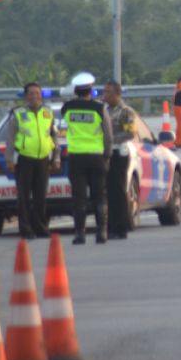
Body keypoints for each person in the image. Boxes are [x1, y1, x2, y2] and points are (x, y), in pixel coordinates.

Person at [61, 72, 113, 245]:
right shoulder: (100, 108)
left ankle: (80, 234)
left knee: (79, 197)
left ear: (75, 90)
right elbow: (108, 135)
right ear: (91, 90)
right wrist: (107, 155)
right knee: (99, 195)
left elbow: (64, 126)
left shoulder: (67, 107)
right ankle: (101, 233)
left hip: (76, 157)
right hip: (96, 156)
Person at [4, 82, 59, 239]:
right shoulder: (18, 114)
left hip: (43, 159)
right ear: (26, 96)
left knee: (41, 196)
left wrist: (56, 157)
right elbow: (10, 138)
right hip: (24, 159)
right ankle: (26, 229)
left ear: (40, 95)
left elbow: (54, 136)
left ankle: (41, 228)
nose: (34, 96)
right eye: (31, 93)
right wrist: (9, 159)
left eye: (37, 93)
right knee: (24, 197)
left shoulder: (48, 113)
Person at [103, 80, 138, 240]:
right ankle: (110, 227)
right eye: (105, 91)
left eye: (109, 92)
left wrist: (110, 140)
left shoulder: (126, 111)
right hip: (106, 154)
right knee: (109, 192)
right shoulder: (103, 110)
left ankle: (121, 227)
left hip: (120, 153)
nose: (106, 95)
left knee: (119, 190)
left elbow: (130, 134)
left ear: (117, 93)